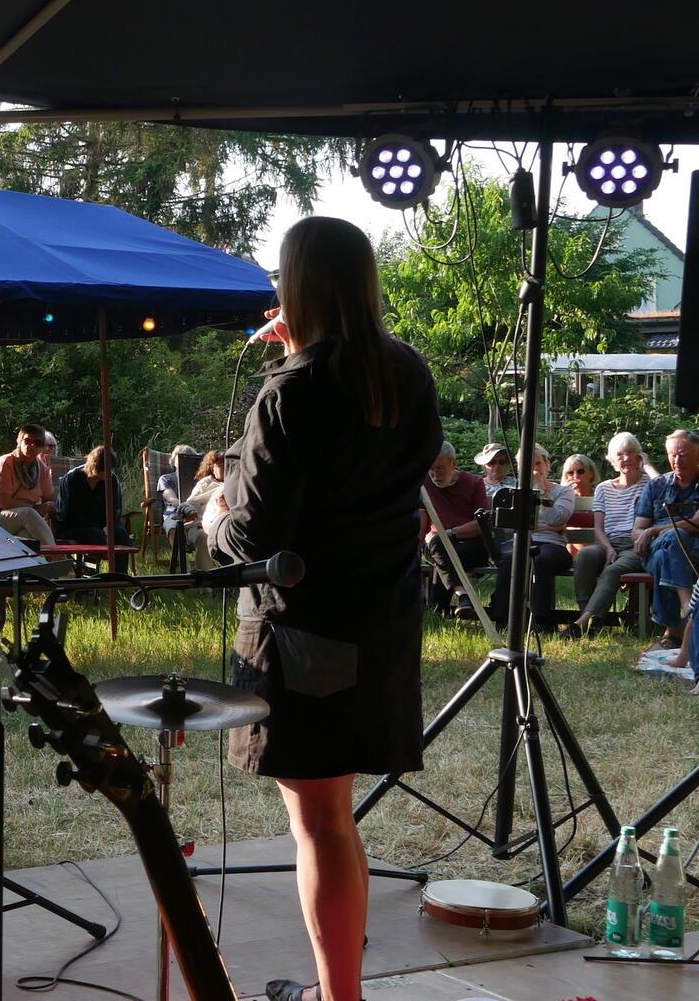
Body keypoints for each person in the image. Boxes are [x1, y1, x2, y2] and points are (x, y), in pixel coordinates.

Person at [207, 217, 441, 1001]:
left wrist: (212, 514)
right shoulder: (407, 374)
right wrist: (295, 356)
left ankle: (342, 996)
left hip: (303, 636)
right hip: (379, 625)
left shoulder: (292, 394)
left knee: (321, 826)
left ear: (295, 285)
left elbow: (253, 534)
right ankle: (340, 989)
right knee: (336, 820)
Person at [566, 433, 651, 638]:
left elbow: (667, 486)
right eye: (620, 454)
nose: (626, 458)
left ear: (639, 456)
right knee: (585, 556)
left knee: (614, 570)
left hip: (636, 546)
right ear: (612, 460)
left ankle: (582, 624)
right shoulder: (604, 488)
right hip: (608, 543)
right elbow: (598, 528)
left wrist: (647, 466)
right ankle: (590, 621)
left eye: (631, 453)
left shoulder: (651, 484)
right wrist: (608, 548)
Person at [482, 445, 574, 631]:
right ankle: (502, 619)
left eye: (538, 463)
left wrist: (541, 491)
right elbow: (508, 525)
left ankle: (541, 621)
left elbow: (557, 518)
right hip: (519, 540)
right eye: (528, 464)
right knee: (509, 559)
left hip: (552, 545)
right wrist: (550, 527)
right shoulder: (514, 491)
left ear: (547, 465)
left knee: (540, 558)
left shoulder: (563, 492)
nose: (534, 468)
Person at [635, 429, 699, 663]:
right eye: (672, 455)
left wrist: (654, 530)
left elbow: (697, 523)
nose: (676, 460)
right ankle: (688, 606)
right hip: (652, 550)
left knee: (672, 545)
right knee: (670, 544)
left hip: (695, 551)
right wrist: (645, 534)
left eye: (682, 455)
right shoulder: (656, 486)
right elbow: (637, 529)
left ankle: (673, 629)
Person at [421, 441, 490, 617]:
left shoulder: (474, 483)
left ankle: (438, 611)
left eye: (440, 468)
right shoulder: (424, 484)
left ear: (454, 464)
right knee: (439, 546)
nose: (435, 474)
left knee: (441, 549)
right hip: (436, 547)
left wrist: (449, 534)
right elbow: (421, 521)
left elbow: (481, 524)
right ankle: (464, 597)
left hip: (470, 545)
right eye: (431, 469)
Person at [0, 424, 55, 546]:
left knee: (28, 535)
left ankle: (31, 564)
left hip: (19, 520)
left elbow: (48, 499)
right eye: (27, 441)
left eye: (38, 442)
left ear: (42, 447)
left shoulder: (42, 469)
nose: (32, 445)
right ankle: (57, 558)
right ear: (19, 441)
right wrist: (35, 508)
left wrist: (48, 506)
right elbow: (4, 502)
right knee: (29, 514)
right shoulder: (5, 463)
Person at [52, 445, 130, 545]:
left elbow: (114, 510)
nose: (110, 472)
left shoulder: (111, 480)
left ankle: (117, 561)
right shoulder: (73, 479)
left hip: (101, 524)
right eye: (107, 469)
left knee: (121, 533)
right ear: (97, 467)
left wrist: (108, 526)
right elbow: (71, 514)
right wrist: (101, 529)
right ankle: (100, 557)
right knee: (95, 534)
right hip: (75, 526)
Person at [182, 450, 226, 570]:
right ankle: (207, 584)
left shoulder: (236, 482)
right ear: (212, 467)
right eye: (221, 464)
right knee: (203, 537)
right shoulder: (206, 483)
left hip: (226, 524)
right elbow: (190, 503)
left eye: (228, 463)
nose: (225, 466)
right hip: (201, 526)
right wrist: (190, 511)